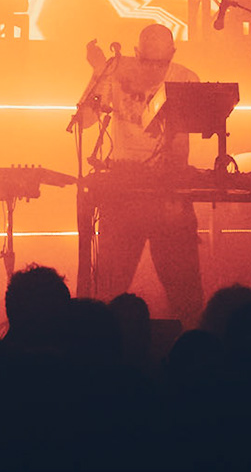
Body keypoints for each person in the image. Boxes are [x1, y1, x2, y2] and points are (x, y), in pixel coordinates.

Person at [74, 22, 204, 324]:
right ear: (136, 53)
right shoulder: (115, 75)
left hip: (169, 193)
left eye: (163, 62)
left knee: (186, 293)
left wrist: (173, 183)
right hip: (124, 191)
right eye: (149, 62)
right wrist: (99, 74)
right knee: (108, 288)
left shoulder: (185, 78)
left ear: (173, 54)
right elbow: (84, 121)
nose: (157, 69)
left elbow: (185, 139)